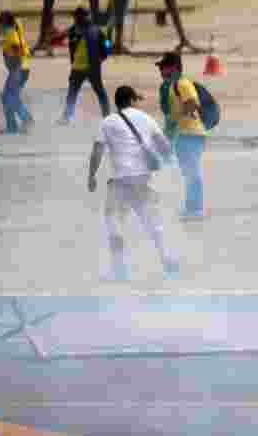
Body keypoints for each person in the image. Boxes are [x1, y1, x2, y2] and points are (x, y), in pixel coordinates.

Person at [88, 85, 179, 281]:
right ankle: (166, 259)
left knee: (113, 222)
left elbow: (97, 151)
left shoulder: (107, 122)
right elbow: (165, 147)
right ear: (130, 100)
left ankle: (120, 269)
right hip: (142, 179)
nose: (138, 103)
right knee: (153, 222)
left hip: (120, 181)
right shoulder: (146, 118)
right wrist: (167, 165)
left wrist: (91, 176)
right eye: (136, 99)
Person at [156, 52, 207, 218]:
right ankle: (191, 207)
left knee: (192, 171)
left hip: (191, 133)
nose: (161, 71)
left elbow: (192, 103)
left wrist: (178, 118)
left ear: (174, 68)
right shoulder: (173, 86)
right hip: (185, 133)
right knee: (188, 172)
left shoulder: (182, 84)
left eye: (163, 67)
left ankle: (196, 209)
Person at [59, 6, 110, 124]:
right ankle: (66, 117)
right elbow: (61, 38)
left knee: (100, 91)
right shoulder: (73, 30)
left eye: (80, 16)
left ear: (87, 17)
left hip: (92, 68)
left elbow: (107, 42)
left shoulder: (96, 30)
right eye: (76, 16)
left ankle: (107, 117)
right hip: (77, 68)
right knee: (72, 93)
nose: (77, 19)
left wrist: (104, 55)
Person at [0, 11, 34, 134]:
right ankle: (15, 124)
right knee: (10, 97)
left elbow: (17, 48)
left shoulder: (11, 33)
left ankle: (21, 121)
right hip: (22, 68)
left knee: (8, 97)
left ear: (4, 23)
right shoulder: (14, 28)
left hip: (18, 69)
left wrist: (15, 71)